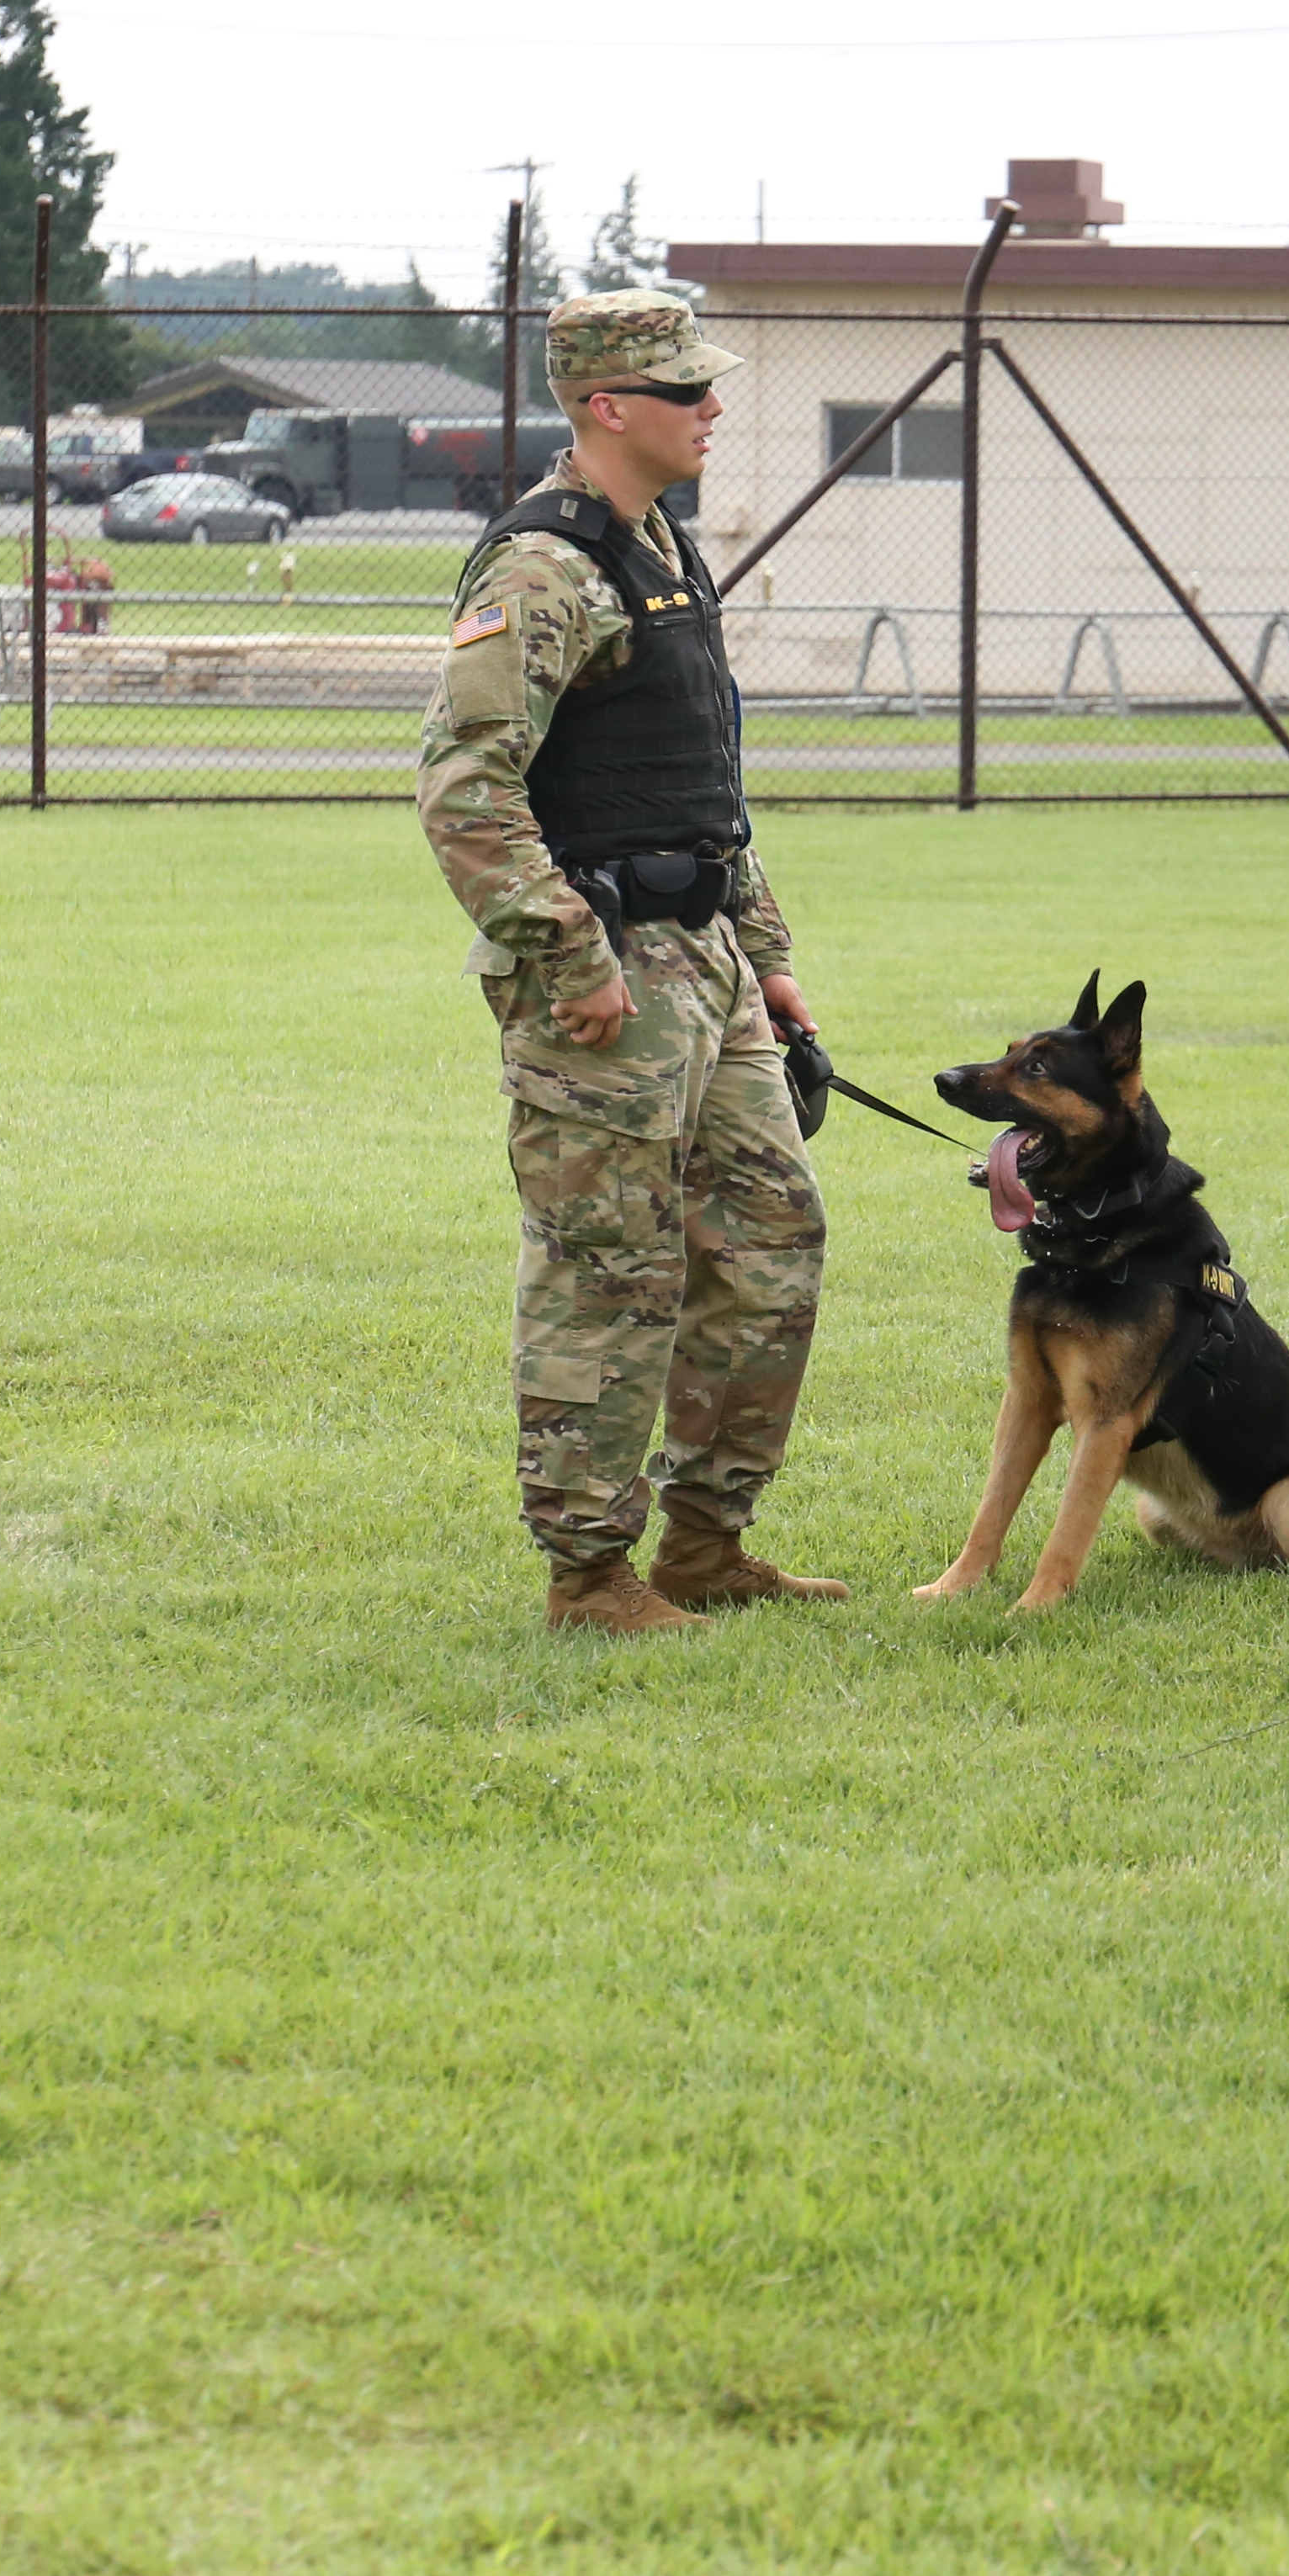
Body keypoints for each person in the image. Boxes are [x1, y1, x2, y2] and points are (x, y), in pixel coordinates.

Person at [419, 287, 843, 1633]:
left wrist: (763, 952)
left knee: (771, 1237)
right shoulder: (544, 569)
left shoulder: (661, 546)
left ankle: (706, 1547)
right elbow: (465, 787)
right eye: (685, 390)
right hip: (608, 973)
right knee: (614, 1264)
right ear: (609, 407)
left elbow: (701, 785)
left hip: (706, 963)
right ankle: (588, 1574)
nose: (712, 406)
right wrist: (565, 955)